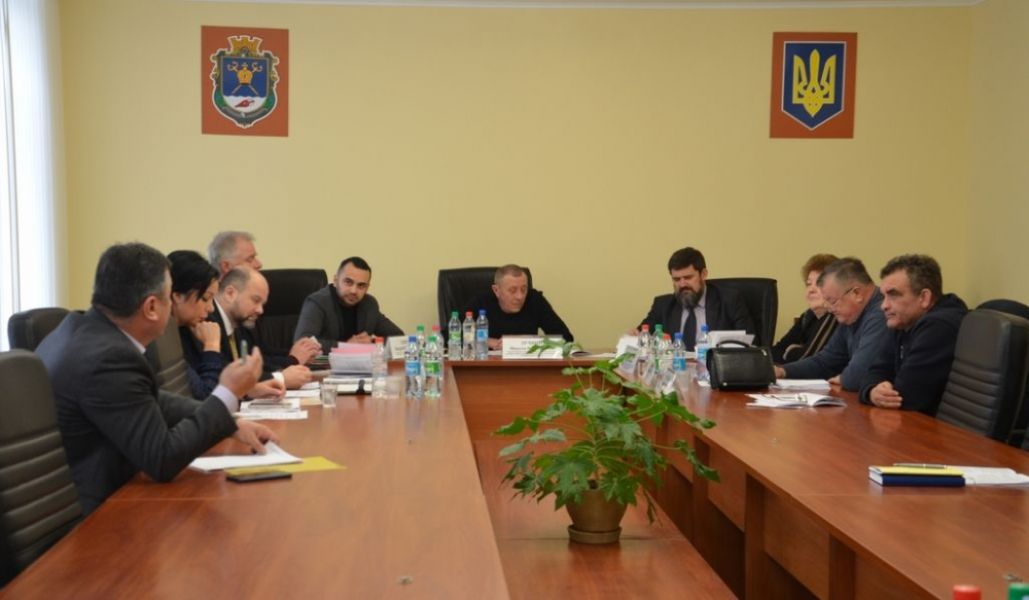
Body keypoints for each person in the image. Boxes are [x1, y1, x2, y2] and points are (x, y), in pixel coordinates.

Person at [35, 243, 277, 515]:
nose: (172, 305)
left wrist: (230, 423)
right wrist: (226, 395)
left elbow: (149, 399)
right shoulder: (108, 358)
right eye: (169, 297)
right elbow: (162, 458)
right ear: (151, 307)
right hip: (98, 515)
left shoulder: (79, 330)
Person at [167, 250, 284, 400]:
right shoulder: (166, 340)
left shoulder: (190, 328)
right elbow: (208, 398)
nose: (211, 308)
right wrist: (211, 347)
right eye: (205, 298)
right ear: (177, 296)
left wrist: (247, 392)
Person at [859, 255, 967, 414]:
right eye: (883, 297)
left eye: (893, 295)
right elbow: (876, 371)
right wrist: (872, 391)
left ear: (924, 297)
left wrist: (877, 392)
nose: (884, 306)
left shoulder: (939, 326)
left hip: (937, 426)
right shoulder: (903, 322)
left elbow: (905, 397)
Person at [206, 230, 320, 369]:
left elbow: (260, 355)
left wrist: (299, 353)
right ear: (226, 267)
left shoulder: (241, 311)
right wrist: (292, 360)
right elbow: (232, 370)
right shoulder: (208, 316)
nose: (259, 264)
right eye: (250, 259)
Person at [774, 257, 889, 390]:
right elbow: (826, 361)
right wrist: (782, 371)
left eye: (832, 301)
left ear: (856, 293)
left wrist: (844, 378)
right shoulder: (850, 316)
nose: (829, 308)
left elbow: (859, 374)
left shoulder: (882, 314)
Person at [197, 267, 313, 388]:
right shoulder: (206, 321)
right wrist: (280, 378)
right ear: (230, 293)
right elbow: (226, 375)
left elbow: (255, 366)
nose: (260, 310)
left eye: (262, 304)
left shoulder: (239, 323)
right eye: (256, 300)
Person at [636, 247, 755, 350]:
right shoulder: (663, 305)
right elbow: (642, 335)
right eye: (676, 279)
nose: (682, 284)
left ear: (703, 274)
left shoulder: (730, 301)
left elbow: (751, 343)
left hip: (715, 368)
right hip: (675, 367)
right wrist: (634, 336)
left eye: (688, 277)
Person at [294, 257, 403, 352]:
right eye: (348, 282)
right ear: (335, 280)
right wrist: (346, 346)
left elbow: (399, 338)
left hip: (359, 366)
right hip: (323, 365)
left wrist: (372, 342)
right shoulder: (318, 302)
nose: (353, 291)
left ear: (367, 287)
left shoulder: (369, 304)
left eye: (361, 285)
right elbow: (302, 342)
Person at [464, 264, 573, 350]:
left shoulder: (534, 300)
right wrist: (488, 341)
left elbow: (566, 338)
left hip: (526, 367)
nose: (520, 296)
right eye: (512, 290)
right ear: (496, 290)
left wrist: (523, 341)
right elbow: (455, 334)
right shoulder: (480, 301)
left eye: (523, 289)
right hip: (487, 365)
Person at [771, 253, 839, 363]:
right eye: (808, 284)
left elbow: (810, 360)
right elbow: (778, 349)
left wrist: (791, 351)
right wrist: (796, 351)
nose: (811, 290)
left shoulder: (837, 317)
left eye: (819, 284)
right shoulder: (808, 316)